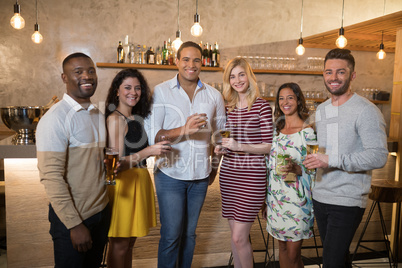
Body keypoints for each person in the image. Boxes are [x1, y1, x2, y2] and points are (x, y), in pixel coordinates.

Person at [303, 48, 388, 267]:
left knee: (331, 263)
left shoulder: (366, 110)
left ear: (352, 75)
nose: (333, 77)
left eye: (341, 72)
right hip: (320, 196)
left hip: (347, 200)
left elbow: (378, 157)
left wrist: (330, 159)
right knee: (338, 261)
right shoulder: (321, 110)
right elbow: (320, 151)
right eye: (329, 72)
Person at [145, 41, 226, 268]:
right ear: (177, 62)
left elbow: (220, 137)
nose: (191, 65)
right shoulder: (161, 92)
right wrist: (184, 130)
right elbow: (153, 135)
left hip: (200, 177)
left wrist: (214, 168)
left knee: (189, 235)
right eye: (186, 59)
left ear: (203, 63)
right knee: (171, 236)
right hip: (169, 175)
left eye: (197, 60)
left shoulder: (214, 96)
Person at [36, 52, 110, 268]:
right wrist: (75, 225)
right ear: (64, 78)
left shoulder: (97, 113)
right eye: (78, 72)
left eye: (91, 71)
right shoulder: (55, 118)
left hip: (100, 213)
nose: (86, 76)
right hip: (74, 219)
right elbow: (51, 177)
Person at [104, 69, 171, 268]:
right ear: (117, 91)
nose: (133, 92)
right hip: (123, 186)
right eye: (127, 87)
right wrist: (149, 150)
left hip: (138, 183)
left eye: (137, 88)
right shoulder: (115, 119)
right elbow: (117, 164)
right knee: (120, 245)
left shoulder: (136, 118)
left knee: (129, 244)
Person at [215, 57, 273, 268]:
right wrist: (220, 148)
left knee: (240, 237)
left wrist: (239, 146)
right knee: (234, 237)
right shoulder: (228, 108)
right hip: (229, 174)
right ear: (228, 80)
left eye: (241, 74)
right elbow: (226, 140)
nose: (237, 80)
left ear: (249, 76)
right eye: (232, 76)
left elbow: (269, 145)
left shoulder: (261, 106)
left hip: (252, 177)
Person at [265, 82, 316, 268]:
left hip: (298, 201)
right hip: (276, 199)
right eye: (281, 98)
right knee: (283, 250)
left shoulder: (308, 133)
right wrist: (265, 199)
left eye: (290, 97)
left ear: (298, 100)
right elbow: (268, 166)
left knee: (294, 254)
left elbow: (315, 168)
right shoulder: (275, 133)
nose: (285, 102)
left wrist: (298, 169)